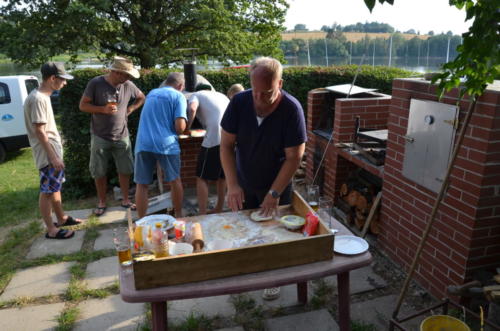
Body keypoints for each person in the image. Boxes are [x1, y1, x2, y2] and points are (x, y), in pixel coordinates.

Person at [220, 57, 306, 300]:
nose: (258, 98)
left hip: (277, 182)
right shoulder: (239, 101)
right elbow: (226, 145)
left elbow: (294, 157)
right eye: (255, 91)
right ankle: (247, 271)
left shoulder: (291, 109)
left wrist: (274, 193)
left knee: (274, 234)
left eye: (266, 92)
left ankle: (273, 278)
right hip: (244, 179)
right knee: (243, 228)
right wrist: (232, 184)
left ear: (280, 83)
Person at [79, 57, 145, 216]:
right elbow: (83, 106)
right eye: (126, 75)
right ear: (115, 72)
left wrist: (131, 108)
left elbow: (142, 97)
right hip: (100, 135)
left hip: (122, 135)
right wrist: (103, 110)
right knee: (99, 171)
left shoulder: (128, 85)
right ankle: (102, 201)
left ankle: (125, 200)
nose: (128, 78)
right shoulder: (95, 83)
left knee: (125, 169)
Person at [24, 62, 83, 239]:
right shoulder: (38, 99)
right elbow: (40, 131)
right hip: (48, 155)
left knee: (55, 188)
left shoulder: (42, 96)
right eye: (62, 80)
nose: (64, 83)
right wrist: (53, 157)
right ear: (52, 78)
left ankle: (62, 218)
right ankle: (51, 229)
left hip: (52, 153)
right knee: (48, 191)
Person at [134, 72, 187, 218]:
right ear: (180, 86)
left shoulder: (152, 93)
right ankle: (178, 215)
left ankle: (141, 221)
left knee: (142, 184)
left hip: (143, 142)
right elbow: (180, 127)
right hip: (166, 144)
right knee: (174, 180)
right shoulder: (179, 96)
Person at [186, 83, 229, 214]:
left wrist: (187, 128)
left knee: (201, 177)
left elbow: (192, 109)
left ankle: (202, 213)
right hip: (230, 139)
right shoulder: (222, 96)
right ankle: (219, 208)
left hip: (213, 138)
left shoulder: (196, 95)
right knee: (222, 177)